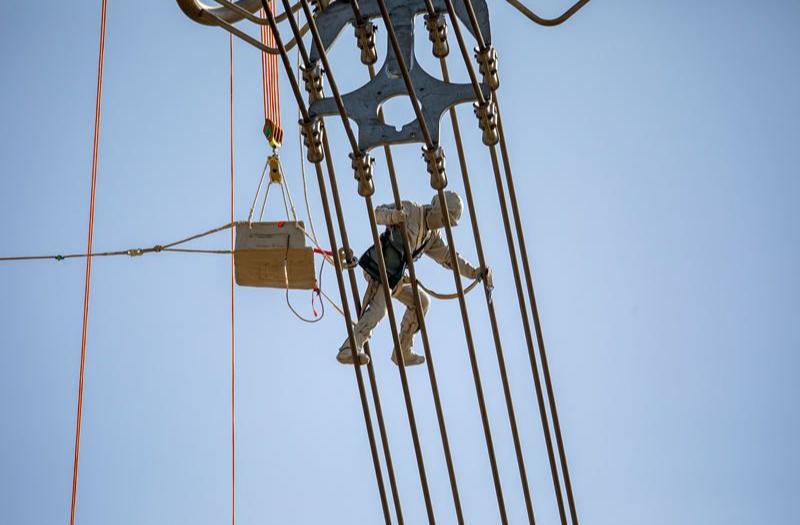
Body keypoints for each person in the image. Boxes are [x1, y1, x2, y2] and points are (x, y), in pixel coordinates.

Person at [337, 191, 491, 366]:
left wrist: (474, 272)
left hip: (396, 278)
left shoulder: (432, 237)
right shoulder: (411, 209)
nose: (444, 224)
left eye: (448, 222)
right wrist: (393, 216)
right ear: (437, 208)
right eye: (445, 218)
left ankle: (402, 350)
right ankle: (349, 348)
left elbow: (449, 257)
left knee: (421, 301)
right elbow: (376, 213)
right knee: (380, 310)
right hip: (380, 267)